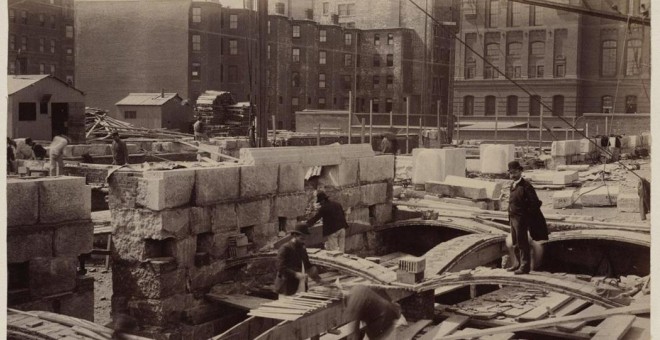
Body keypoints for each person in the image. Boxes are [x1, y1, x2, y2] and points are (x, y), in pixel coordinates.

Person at [506, 161, 548, 274]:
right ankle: (517, 264)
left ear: (520, 171)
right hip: (513, 217)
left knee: (522, 243)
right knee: (515, 243)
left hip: (521, 219)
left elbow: (535, 203)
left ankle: (524, 267)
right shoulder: (513, 184)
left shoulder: (526, 186)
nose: (513, 175)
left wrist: (526, 216)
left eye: (514, 172)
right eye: (511, 173)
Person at [274, 223, 321, 297]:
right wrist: (295, 274)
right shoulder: (285, 248)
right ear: (295, 236)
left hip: (300, 284)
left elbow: (307, 264)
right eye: (301, 239)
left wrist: (316, 276)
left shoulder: (302, 247)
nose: (303, 241)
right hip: (287, 286)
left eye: (305, 239)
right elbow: (280, 267)